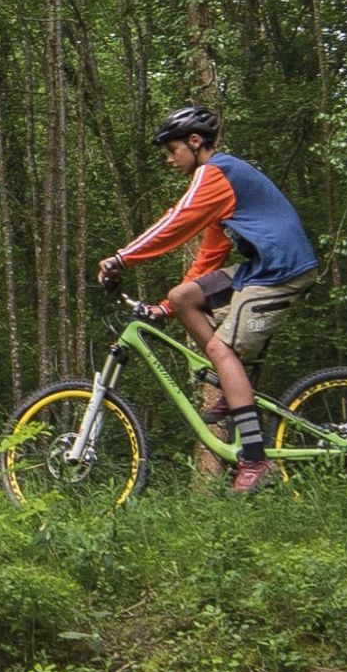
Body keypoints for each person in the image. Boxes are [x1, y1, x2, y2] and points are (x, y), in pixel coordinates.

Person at [97, 106, 318, 493]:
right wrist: (166, 308)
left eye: (172, 151)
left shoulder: (216, 173)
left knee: (220, 349)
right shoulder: (222, 191)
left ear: (195, 142)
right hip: (263, 269)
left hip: (283, 271)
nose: (169, 160)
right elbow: (209, 258)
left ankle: (255, 459)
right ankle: (232, 389)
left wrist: (122, 257)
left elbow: (176, 221)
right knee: (184, 297)